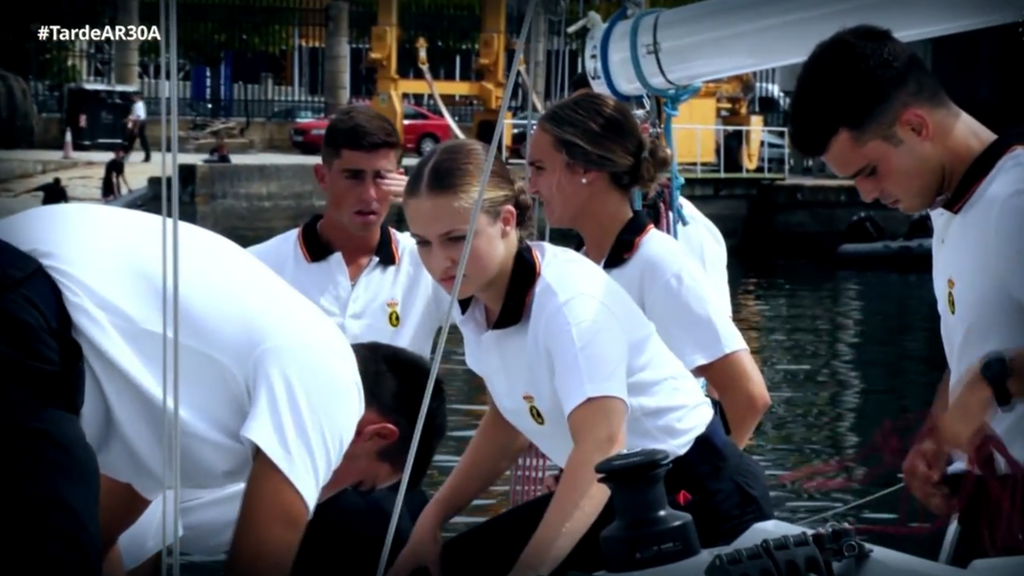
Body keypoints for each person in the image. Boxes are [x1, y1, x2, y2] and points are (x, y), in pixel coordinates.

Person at [387, 139, 773, 576]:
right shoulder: (473, 297)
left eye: (456, 238)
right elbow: (510, 419)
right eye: (423, 242)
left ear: (507, 221)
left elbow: (603, 444)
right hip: (621, 493)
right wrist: (432, 521)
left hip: (700, 498)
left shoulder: (571, 306)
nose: (439, 261)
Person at [0, 204, 447, 576]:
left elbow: (94, 536)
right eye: (364, 484)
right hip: (26, 302)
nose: (334, 498)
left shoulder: (188, 418)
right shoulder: (334, 384)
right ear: (376, 434)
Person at [118, 105, 452, 575]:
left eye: (382, 178)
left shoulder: (430, 270)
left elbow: (498, 279)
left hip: (373, 468)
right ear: (323, 176)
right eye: (353, 176)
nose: (369, 193)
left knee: (391, 522)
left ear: (399, 180)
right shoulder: (252, 269)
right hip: (274, 458)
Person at [788, 24, 1024, 566]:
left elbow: (994, 370)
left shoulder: (1015, 202)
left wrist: (996, 381)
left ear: (916, 126)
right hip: (988, 513)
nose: (867, 194)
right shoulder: (950, 211)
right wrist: (938, 433)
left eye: (869, 171)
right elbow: (980, 344)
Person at [534, 92, 770, 448]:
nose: (529, 186)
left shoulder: (658, 265)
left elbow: (748, 397)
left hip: (668, 496)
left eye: (538, 168)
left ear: (584, 169)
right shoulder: (584, 266)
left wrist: (695, 490)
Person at [125, 92, 150, 163]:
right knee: (132, 140)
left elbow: (138, 117)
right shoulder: (136, 104)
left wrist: (136, 128)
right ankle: (126, 155)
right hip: (136, 123)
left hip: (139, 123)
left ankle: (147, 156)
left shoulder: (139, 105)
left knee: (138, 140)